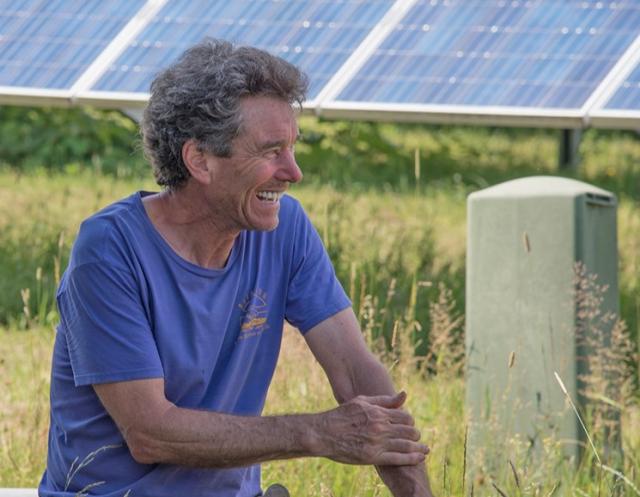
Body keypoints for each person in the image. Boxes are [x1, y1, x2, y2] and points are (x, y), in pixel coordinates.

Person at [39, 38, 434, 497]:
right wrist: (316, 433)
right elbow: (151, 432)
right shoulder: (110, 249)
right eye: (271, 152)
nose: (294, 171)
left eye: (292, 148)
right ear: (200, 160)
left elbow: (355, 372)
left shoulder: (286, 229)